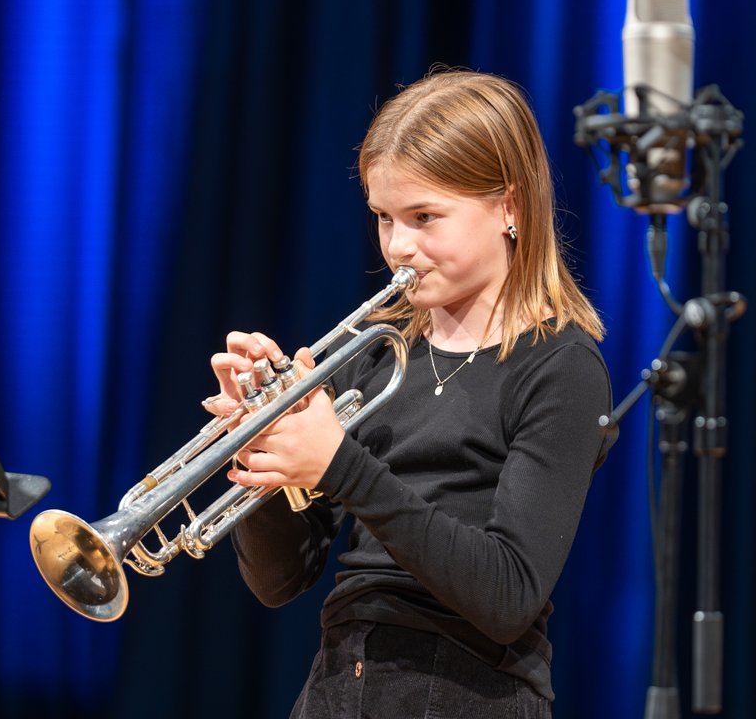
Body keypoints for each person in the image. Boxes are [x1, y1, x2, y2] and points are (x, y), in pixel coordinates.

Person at [203, 68, 615, 718]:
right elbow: (280, 581)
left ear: (509, 207)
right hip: (341, 683)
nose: (399, 247)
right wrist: (261, 455)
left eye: (425, 218)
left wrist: (339, 463)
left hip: (470, 693)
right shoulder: (374, 350)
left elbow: (508, 598)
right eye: (384, 218)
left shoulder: (561, 367)